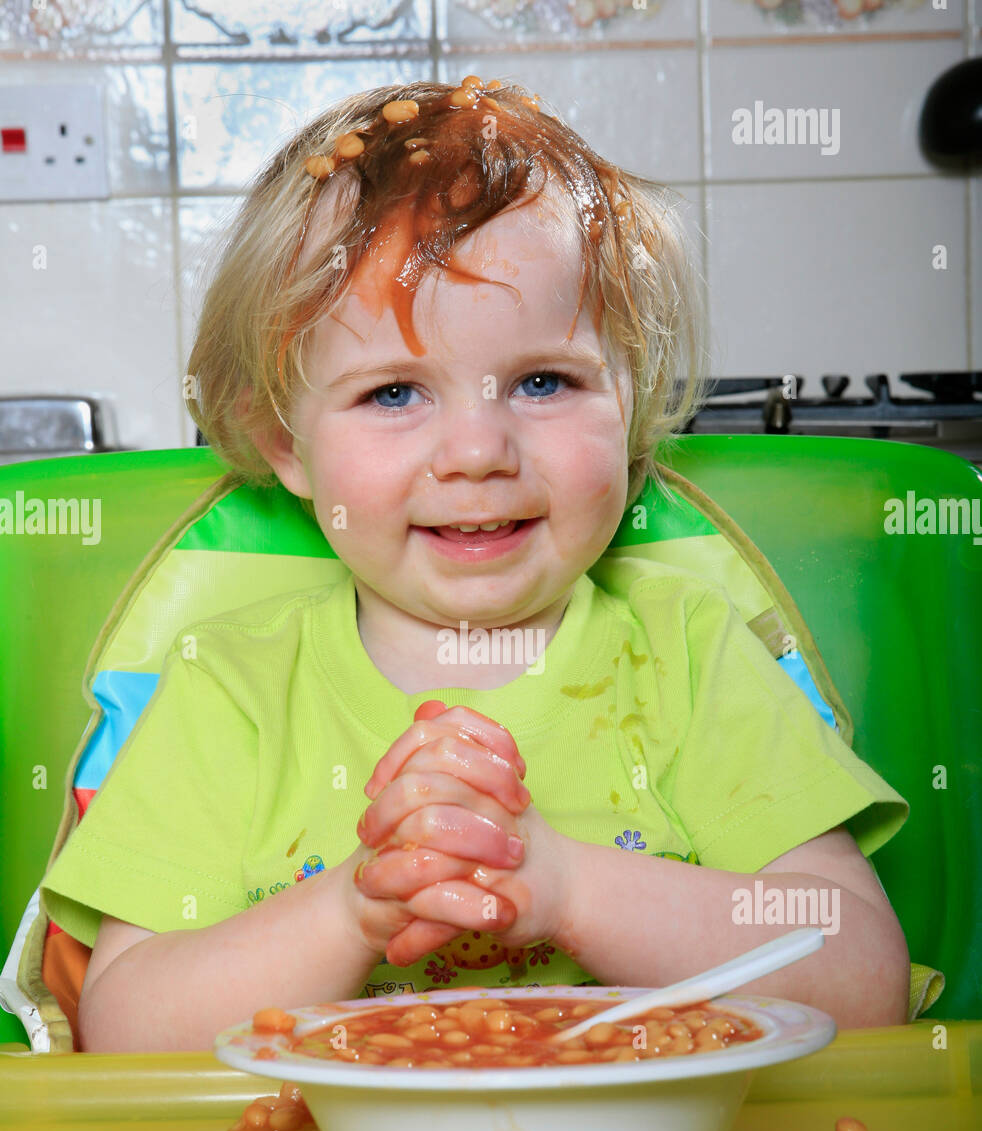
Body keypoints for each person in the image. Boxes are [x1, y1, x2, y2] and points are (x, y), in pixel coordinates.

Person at [40, 78, 911, 1052]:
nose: (477, 451)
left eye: (545, 380)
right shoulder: (228, 690)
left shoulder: (690, 653)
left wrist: (570, 888)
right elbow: (125, 1030)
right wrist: (351, 913)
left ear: (630, 399)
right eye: (393, 393)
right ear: (282, 441)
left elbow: (862, 979)